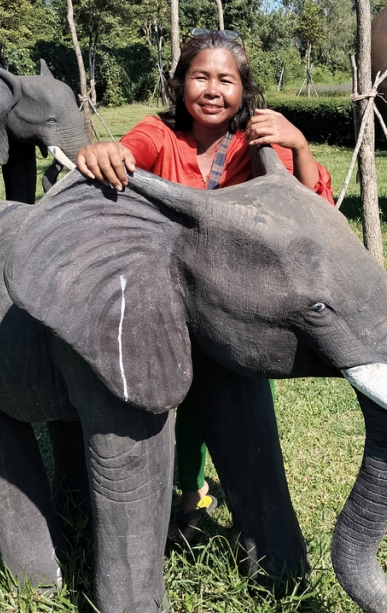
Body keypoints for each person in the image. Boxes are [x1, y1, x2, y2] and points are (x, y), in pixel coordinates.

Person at [76, 28, 334, 542]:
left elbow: (316, 213)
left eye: (225, 80)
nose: (212, 90)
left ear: (244, 90)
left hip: (238, 303)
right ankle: (188, 494)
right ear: (179, 84)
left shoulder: (256, 142)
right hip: (169, 298)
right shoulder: (159, 132)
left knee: (246, 407)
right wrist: (110, 152)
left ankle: (250, 512)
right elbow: (132, 151)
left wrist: (300, 145)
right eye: (200, 77)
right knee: (175, 399)